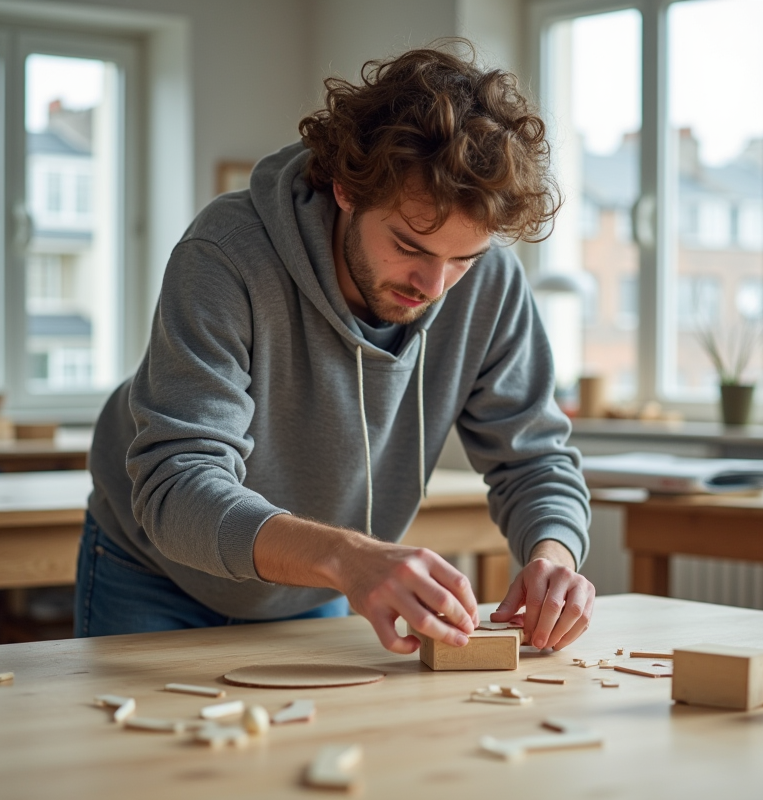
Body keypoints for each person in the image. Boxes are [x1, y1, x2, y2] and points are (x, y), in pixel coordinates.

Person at [79, 40, 594, 654]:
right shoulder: (225, 255)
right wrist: (349, 557)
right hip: (155, 579)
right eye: (409, 246)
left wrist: (554, 556)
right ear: (347, 189)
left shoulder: (491, 284)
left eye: (463, 258)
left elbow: (533, 459)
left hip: (316, 583)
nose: (434, 286)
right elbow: (177, 485)